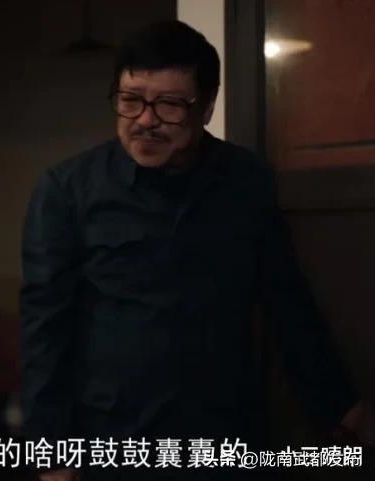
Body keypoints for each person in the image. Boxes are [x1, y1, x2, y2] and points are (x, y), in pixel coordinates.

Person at [19, 20, 374, 481]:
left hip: (224, 438)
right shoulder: (67, 191)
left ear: (206, 107)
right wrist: (50, 455)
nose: (145, 120)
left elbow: (288, 302)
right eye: (131, 100)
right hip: (114, 441)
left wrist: (341, 405)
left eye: (169, 104)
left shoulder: (246, 182)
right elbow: (44, 331)